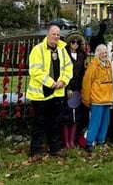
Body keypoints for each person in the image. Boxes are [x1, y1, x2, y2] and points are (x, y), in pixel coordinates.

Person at [27, 24, 73, 160]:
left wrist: (63, 81)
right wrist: (50, 82)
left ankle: (55, 149)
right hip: (40, 95)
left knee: (55, 123)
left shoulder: (62, 50)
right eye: (54, 34)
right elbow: (35, 70)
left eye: (58, 34)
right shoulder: (38, 50)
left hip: (57, 93)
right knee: (38, 124)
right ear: (47, 34)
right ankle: (35, 151)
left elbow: (68, 68)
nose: (56, 37)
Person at [81, 44, 113, 153]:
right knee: (95, 121)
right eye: (102, 52)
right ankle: (89, 142)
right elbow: (87, 83)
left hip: (107, 98)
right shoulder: (93, 65)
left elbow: (111, 83)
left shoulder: (108, 64)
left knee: (105, 122)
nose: (104, 54)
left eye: (106, 52)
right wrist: (86, 99)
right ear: (97, 53)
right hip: (97, 99)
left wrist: (112, 98)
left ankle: (101, 140)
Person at [62, 31, 88, 149]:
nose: (75, 44)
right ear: (69, 43)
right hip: (68, 88)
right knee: (67, 115)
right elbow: (63, 73)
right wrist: (67, 88)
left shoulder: (82, 56)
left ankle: (72, 141)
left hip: (78, 88)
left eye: (77, 42)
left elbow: (83, 73)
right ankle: (66, 141)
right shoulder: (64, 55)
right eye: (73, 42)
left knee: (76, 115)